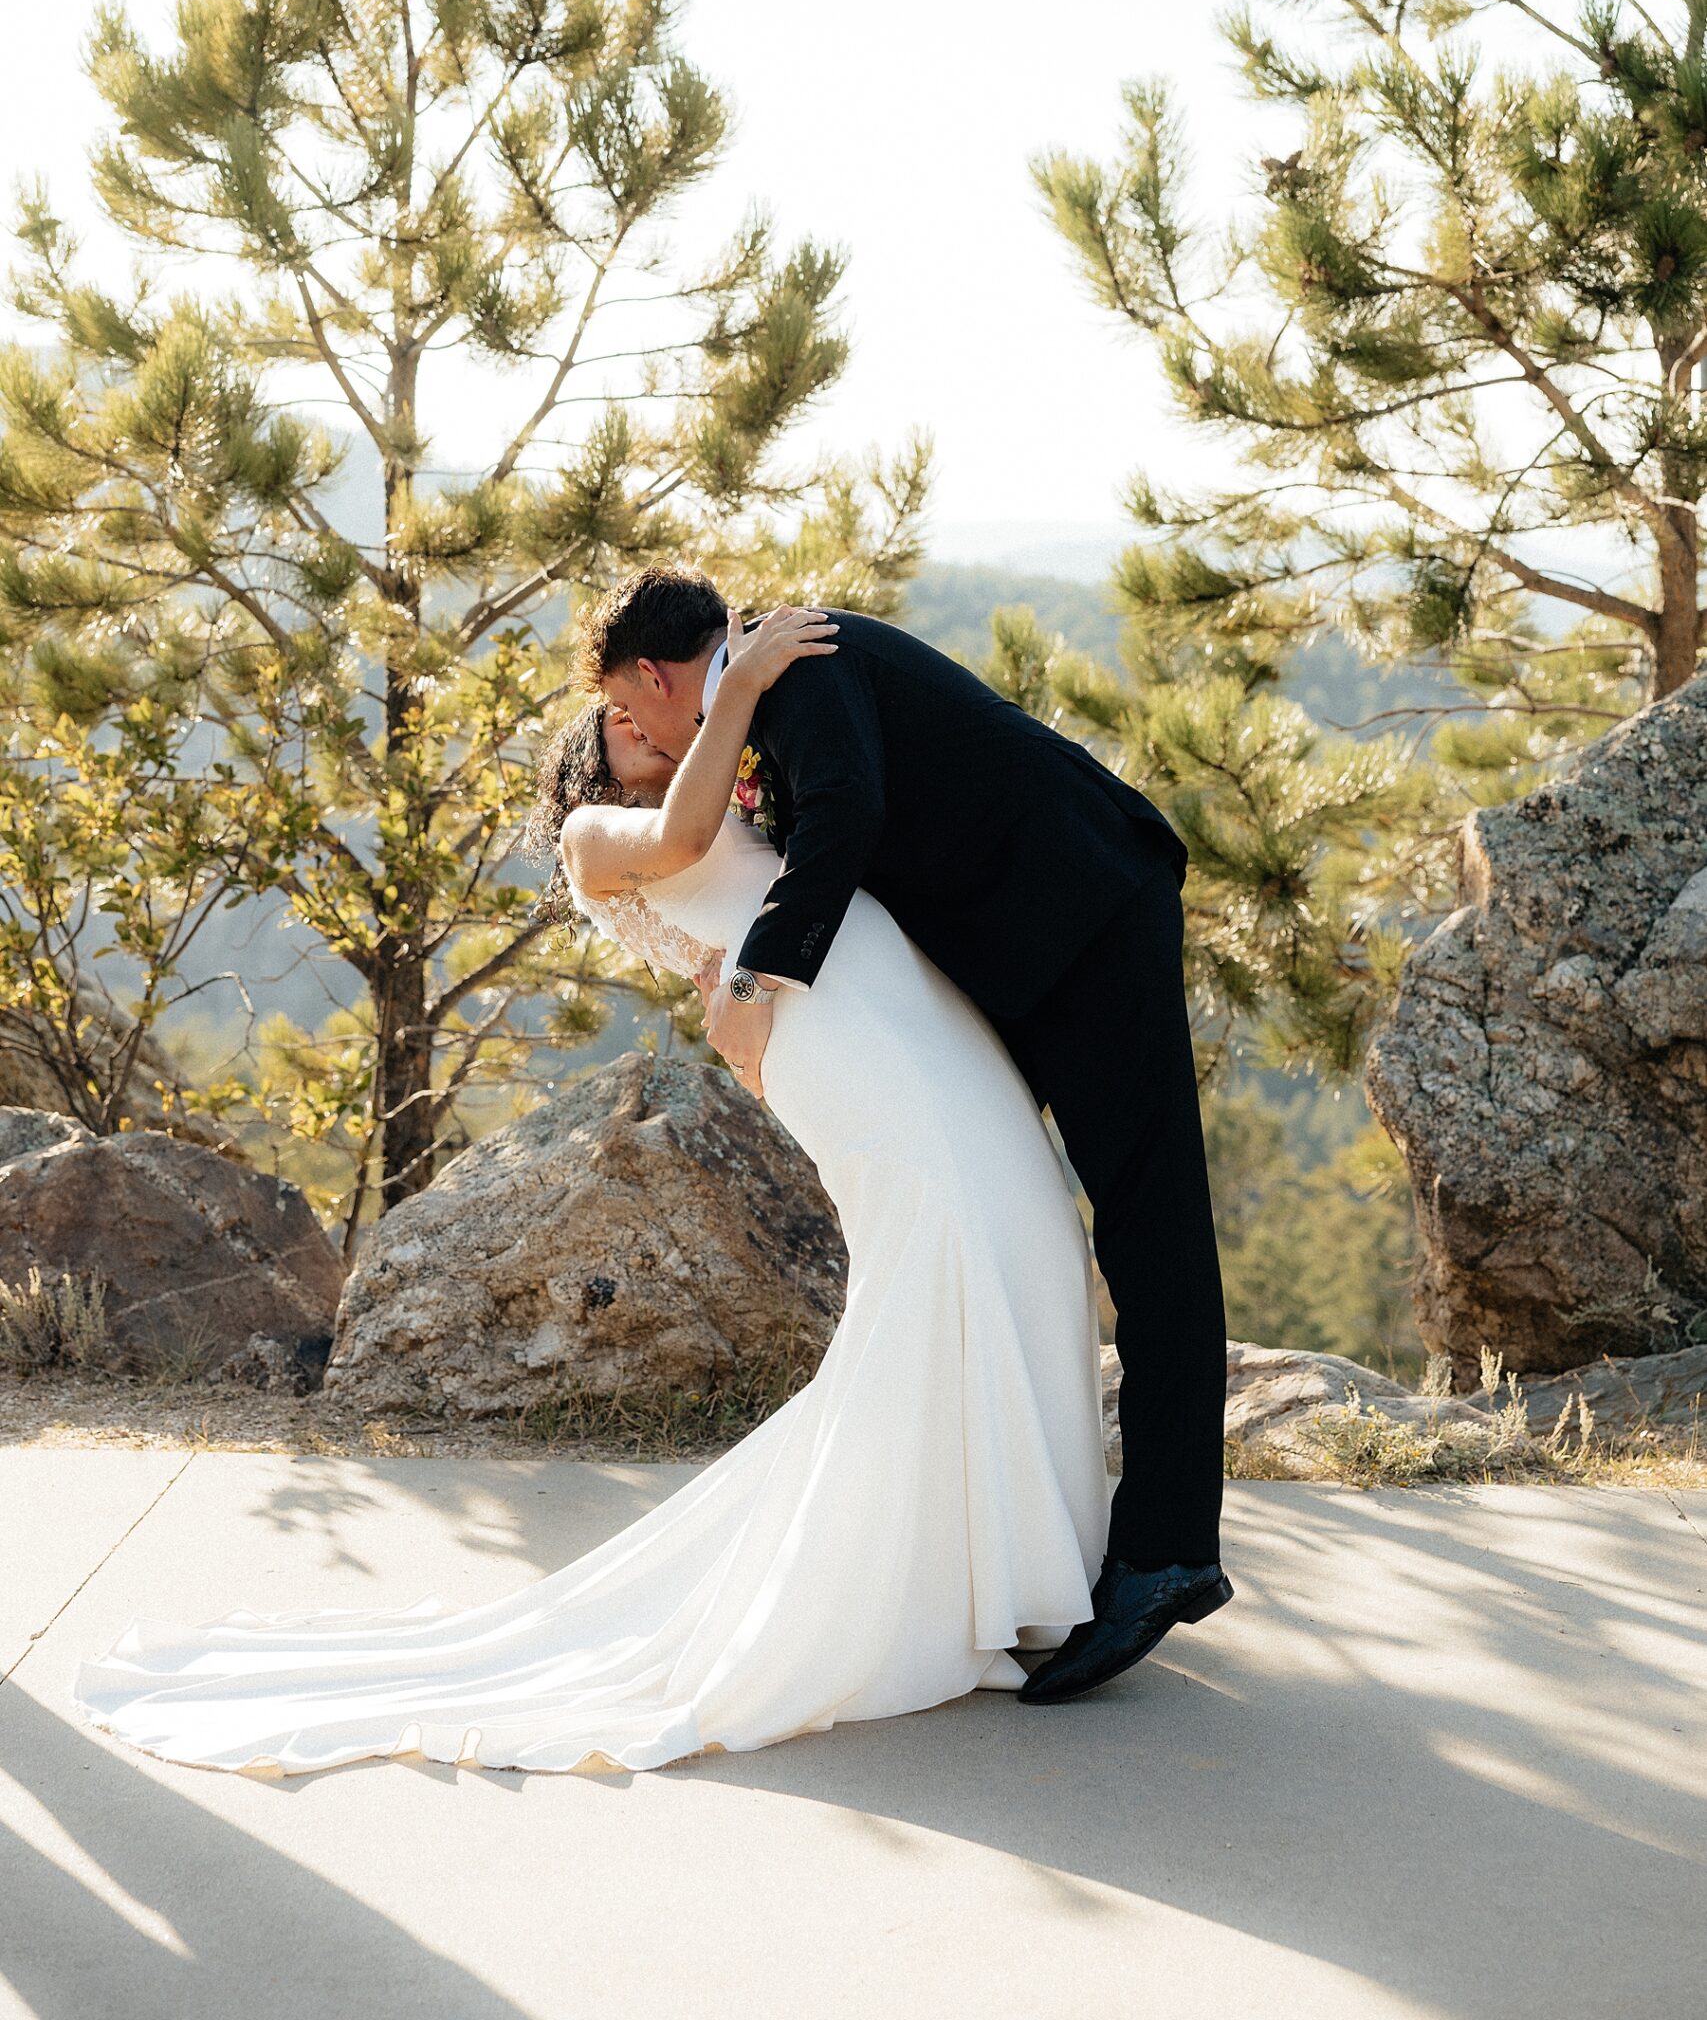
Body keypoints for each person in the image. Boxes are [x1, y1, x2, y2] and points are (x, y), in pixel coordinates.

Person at [74, 602, 1113, 1776]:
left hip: (894, 1006)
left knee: (1017, 1220)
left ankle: (1010, 1556)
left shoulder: (725, 778)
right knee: (937, 1241)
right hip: (828, 1029)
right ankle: (936, 1577)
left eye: (642, 711)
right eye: (617, 724)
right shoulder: (595, 835)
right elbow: (681, 839)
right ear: (587, 762)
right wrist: (738, 685)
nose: (642, 727)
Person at [593, 566, 1231, 1705]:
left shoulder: (795, 667)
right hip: (1027, 959)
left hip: (1086, 912)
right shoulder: (768, 687)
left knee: (1150, 1222)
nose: (637, 733)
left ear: (654, 671)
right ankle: (1039, 1547)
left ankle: (1167, 1552)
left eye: (634, 713)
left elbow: (849, 813)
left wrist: (760, 973)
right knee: (1044, 1217)